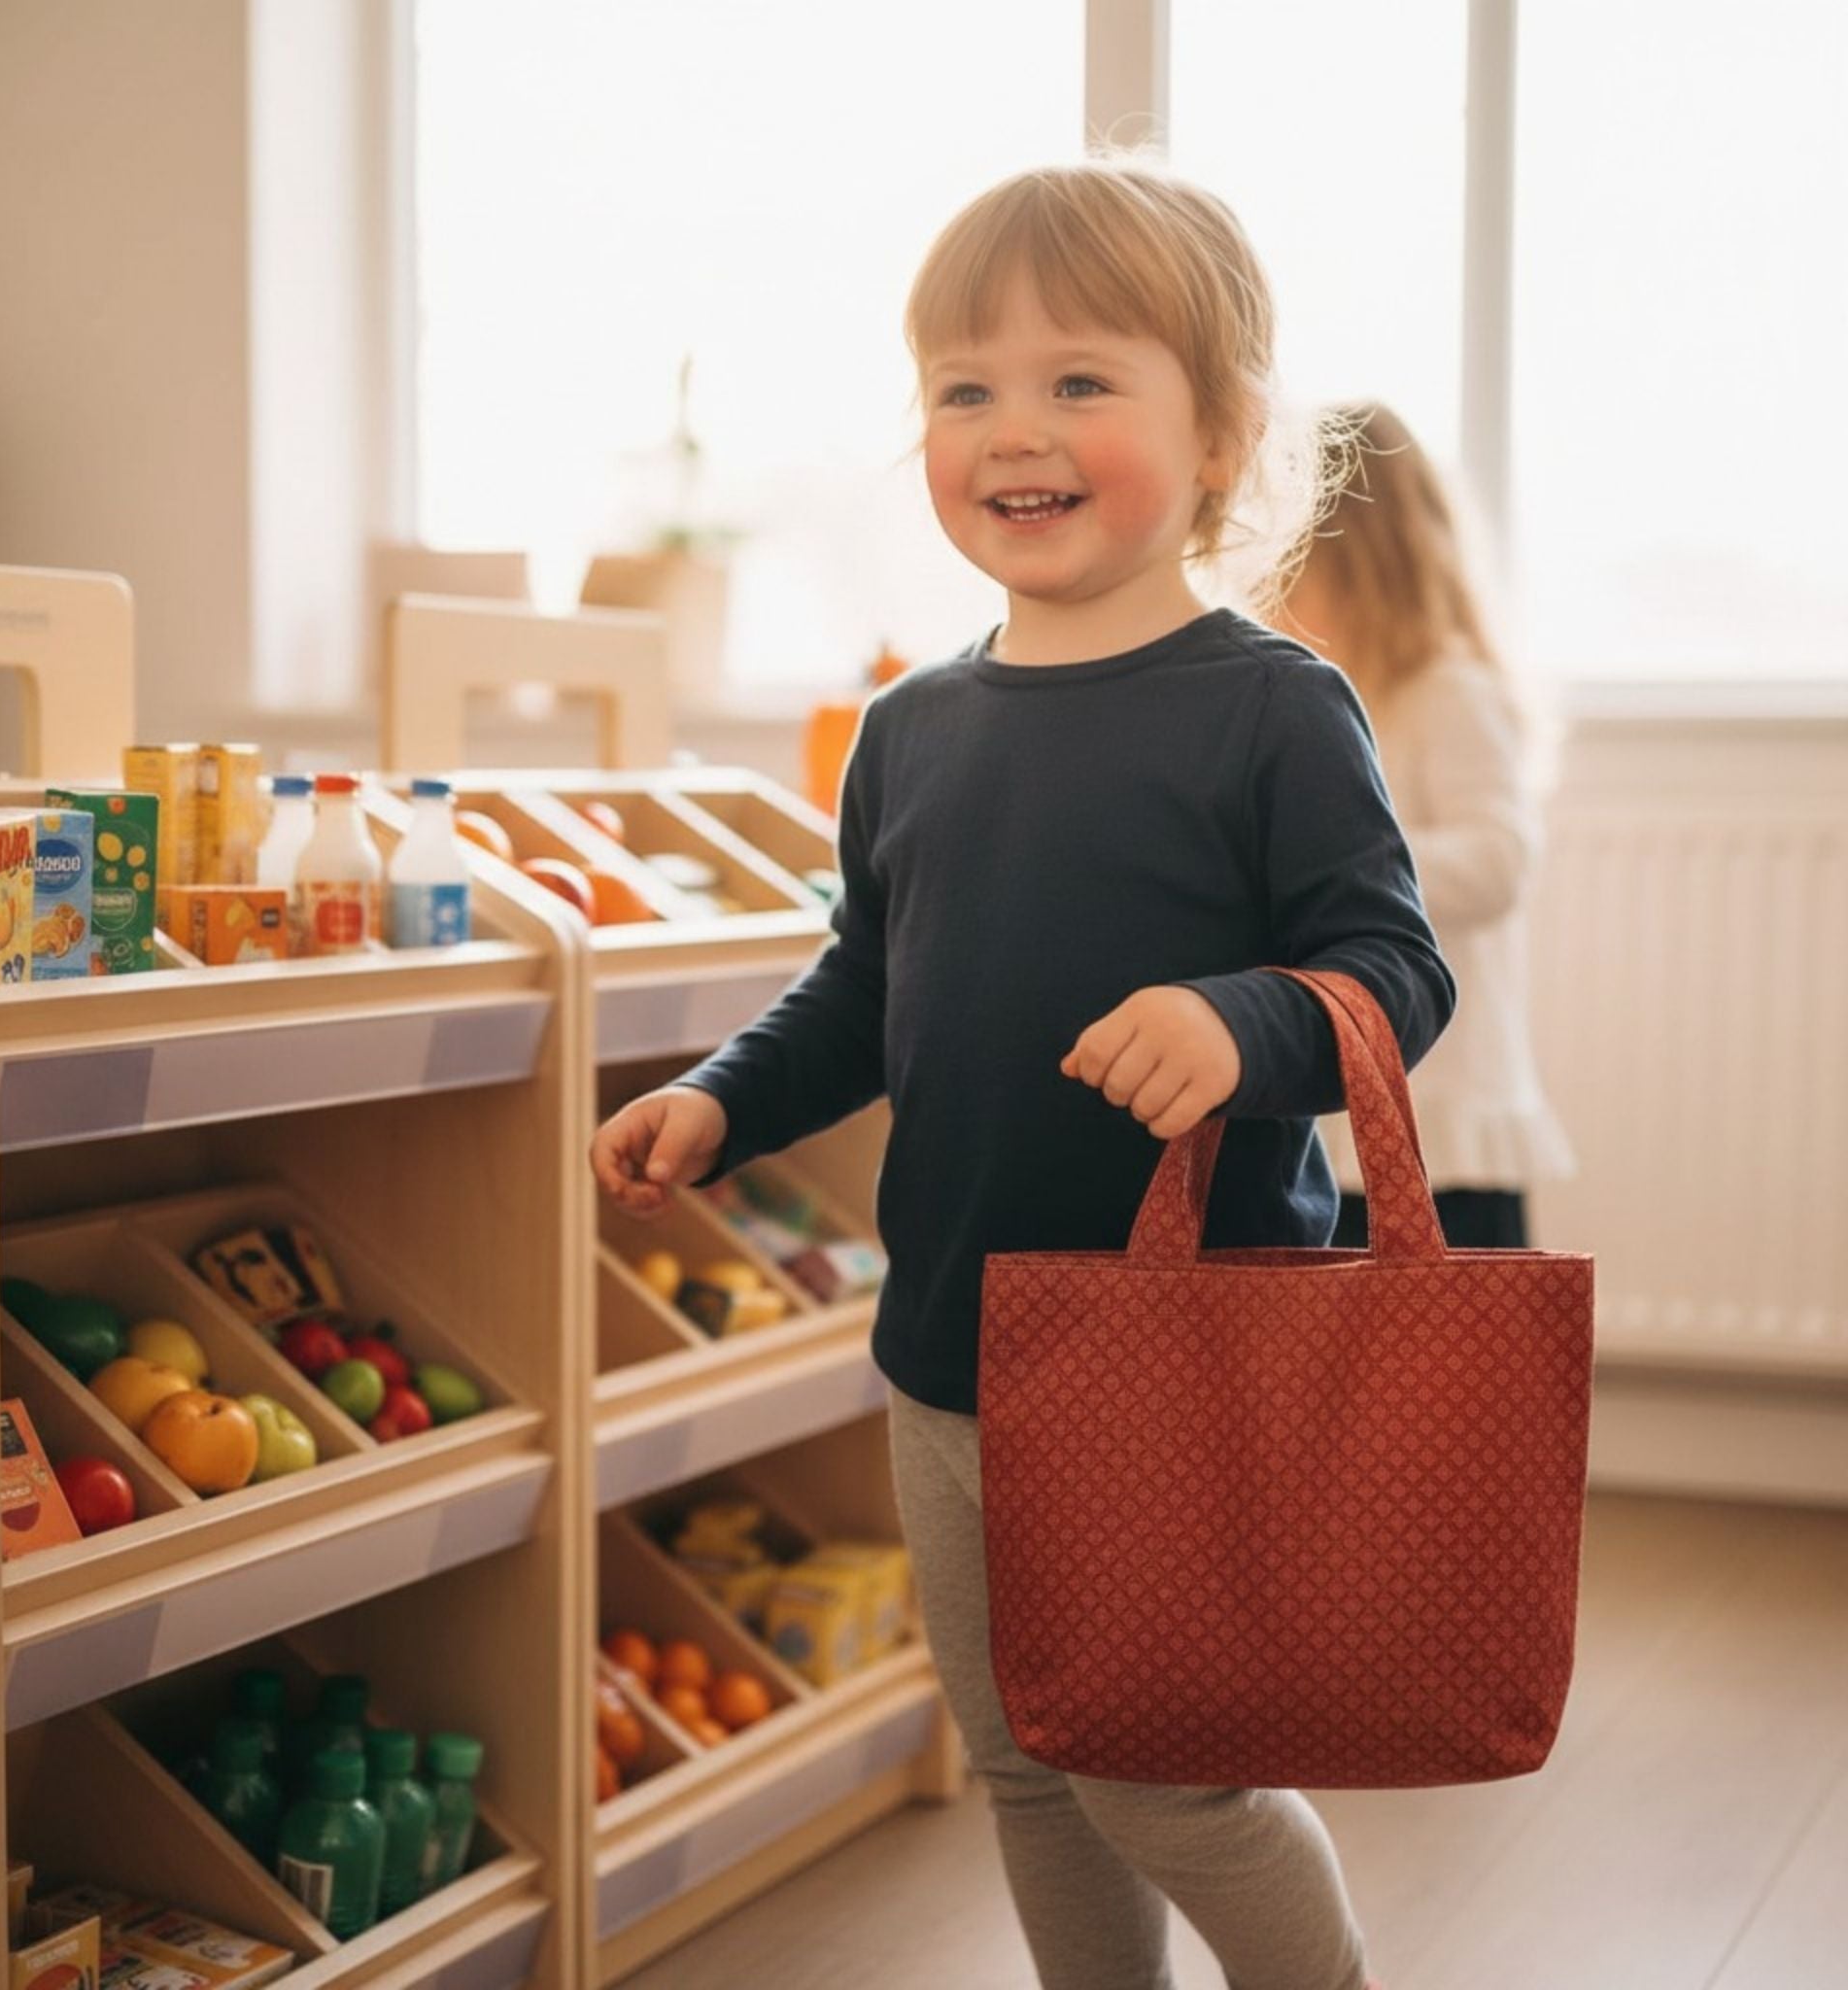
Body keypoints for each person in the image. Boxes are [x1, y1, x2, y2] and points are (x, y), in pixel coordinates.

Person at [591, 160, 1453, 1990]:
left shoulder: (1271, 707)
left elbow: (1393, 972)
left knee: (1166, 1779)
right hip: (944, 1357)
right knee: (1022, 1768)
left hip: (1181, 1346)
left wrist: (1242, 1020)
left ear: (1217, 437)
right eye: (962, 389)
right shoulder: (910, 726)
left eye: (1078, 382)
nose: (1012, 431)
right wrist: (728, 1097)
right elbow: (861, 982)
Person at [1279, 403, 1573, 1251]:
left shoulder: (1446, 691)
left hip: (1441, 1110)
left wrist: (1345, 867)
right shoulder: (1323, 696)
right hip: (1348, 1095)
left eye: (1295, 570)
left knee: (1457, 1367)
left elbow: (1500, 858)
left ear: (1358, 565)